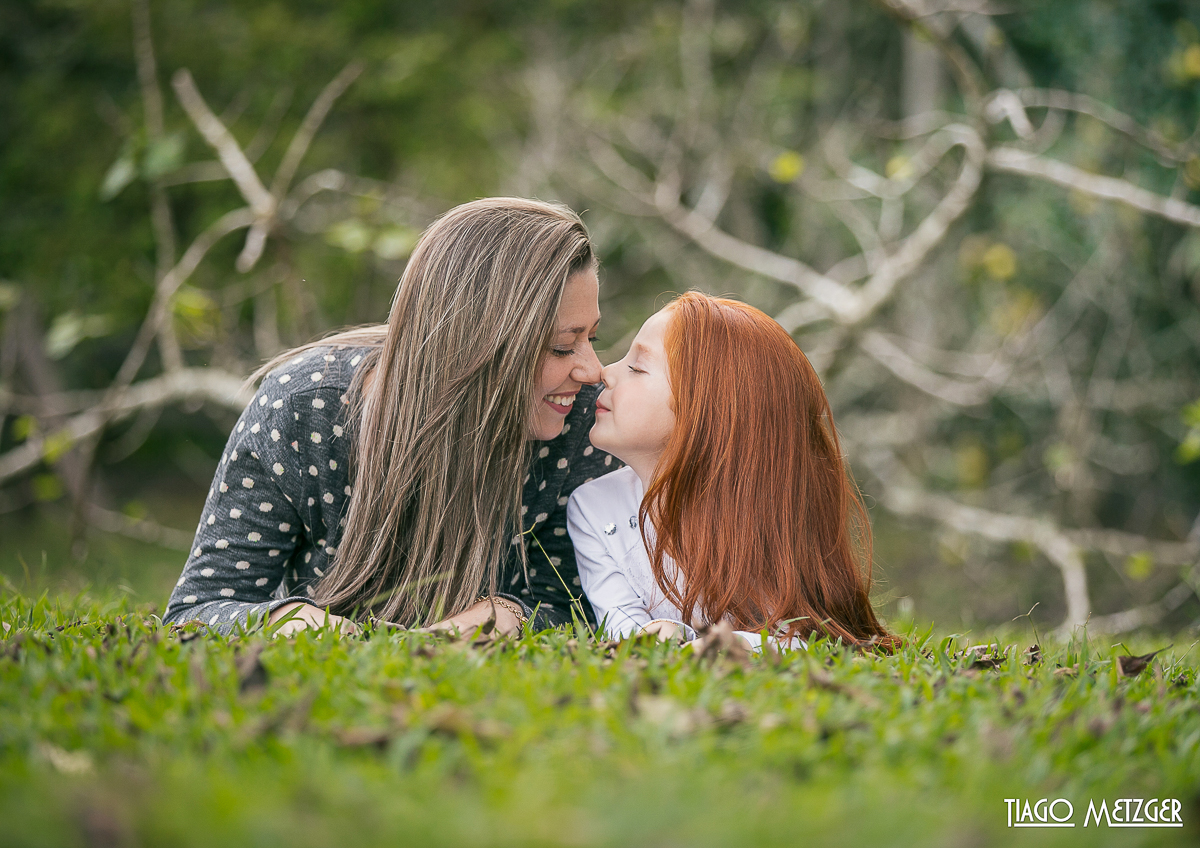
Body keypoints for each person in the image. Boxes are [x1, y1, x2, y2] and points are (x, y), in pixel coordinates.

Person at [164, 198, 622, 636]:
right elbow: (196, 610)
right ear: (477, 345)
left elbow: (584, 608)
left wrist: (507, 615)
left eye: (592, 339)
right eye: (563, 346)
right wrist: (295, 622)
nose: (591, 369)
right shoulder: (302, 412)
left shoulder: (583, 419)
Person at [567, 291, 901, 651]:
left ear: (707, 411)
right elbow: (622, 627)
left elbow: (806, 639)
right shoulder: (593, 507)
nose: (605, 371)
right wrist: (667, 637)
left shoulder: (761, 514)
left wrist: (721, 646)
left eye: (636, 367)